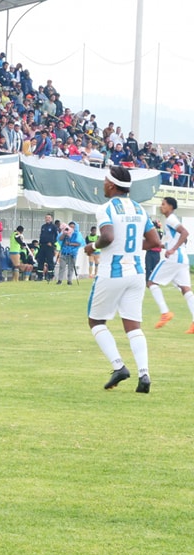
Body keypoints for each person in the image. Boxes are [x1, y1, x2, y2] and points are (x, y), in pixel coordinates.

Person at [84, 166, 160, 393]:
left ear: (111, 185)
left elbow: (107, 236)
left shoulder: (106, 208)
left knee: (96, 321)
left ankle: (119, 366)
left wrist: (92, 246)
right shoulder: (139, 209)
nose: (103, 184)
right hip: (136, 272)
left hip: (112, 271)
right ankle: (144, 374)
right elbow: (155, 240)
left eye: (105, 180)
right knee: (133, 325)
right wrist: (133, 249)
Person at [147, 196, 194, 333]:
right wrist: (163, 245)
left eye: (163, 204)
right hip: (182, 259)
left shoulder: (171, 219)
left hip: (174, 258)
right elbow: (169, 241)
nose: (161, 206)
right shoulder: (169, 221)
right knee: (186, 289)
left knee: (151, 282)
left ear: (171, 207)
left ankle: (165, 313)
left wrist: (173, 249)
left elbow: (185, 232)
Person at [56, 221, 83, 285]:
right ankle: (60, 280)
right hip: (64, 252)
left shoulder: (77, 234)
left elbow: (79, 243)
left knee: (71, 267)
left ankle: (69, 280)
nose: (71, 228)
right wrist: (64, 234)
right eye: (70, 227)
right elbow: (60, 239)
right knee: (62, 266)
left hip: (72, 253)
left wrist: (70, 244)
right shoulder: (65, 233)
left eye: (73, 227)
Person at [36, 213, 58, 281]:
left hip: (49, 246)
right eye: (46, 217)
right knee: (40, 260)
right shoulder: (43, 226)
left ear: (51, 219)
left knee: (49, 261)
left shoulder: (53, 226)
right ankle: (40, 276)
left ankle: (50, 276)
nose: (47, 219)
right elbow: (41, 235)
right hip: (42, 246)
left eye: (49, 217)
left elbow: (57, 236)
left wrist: (52, 243)